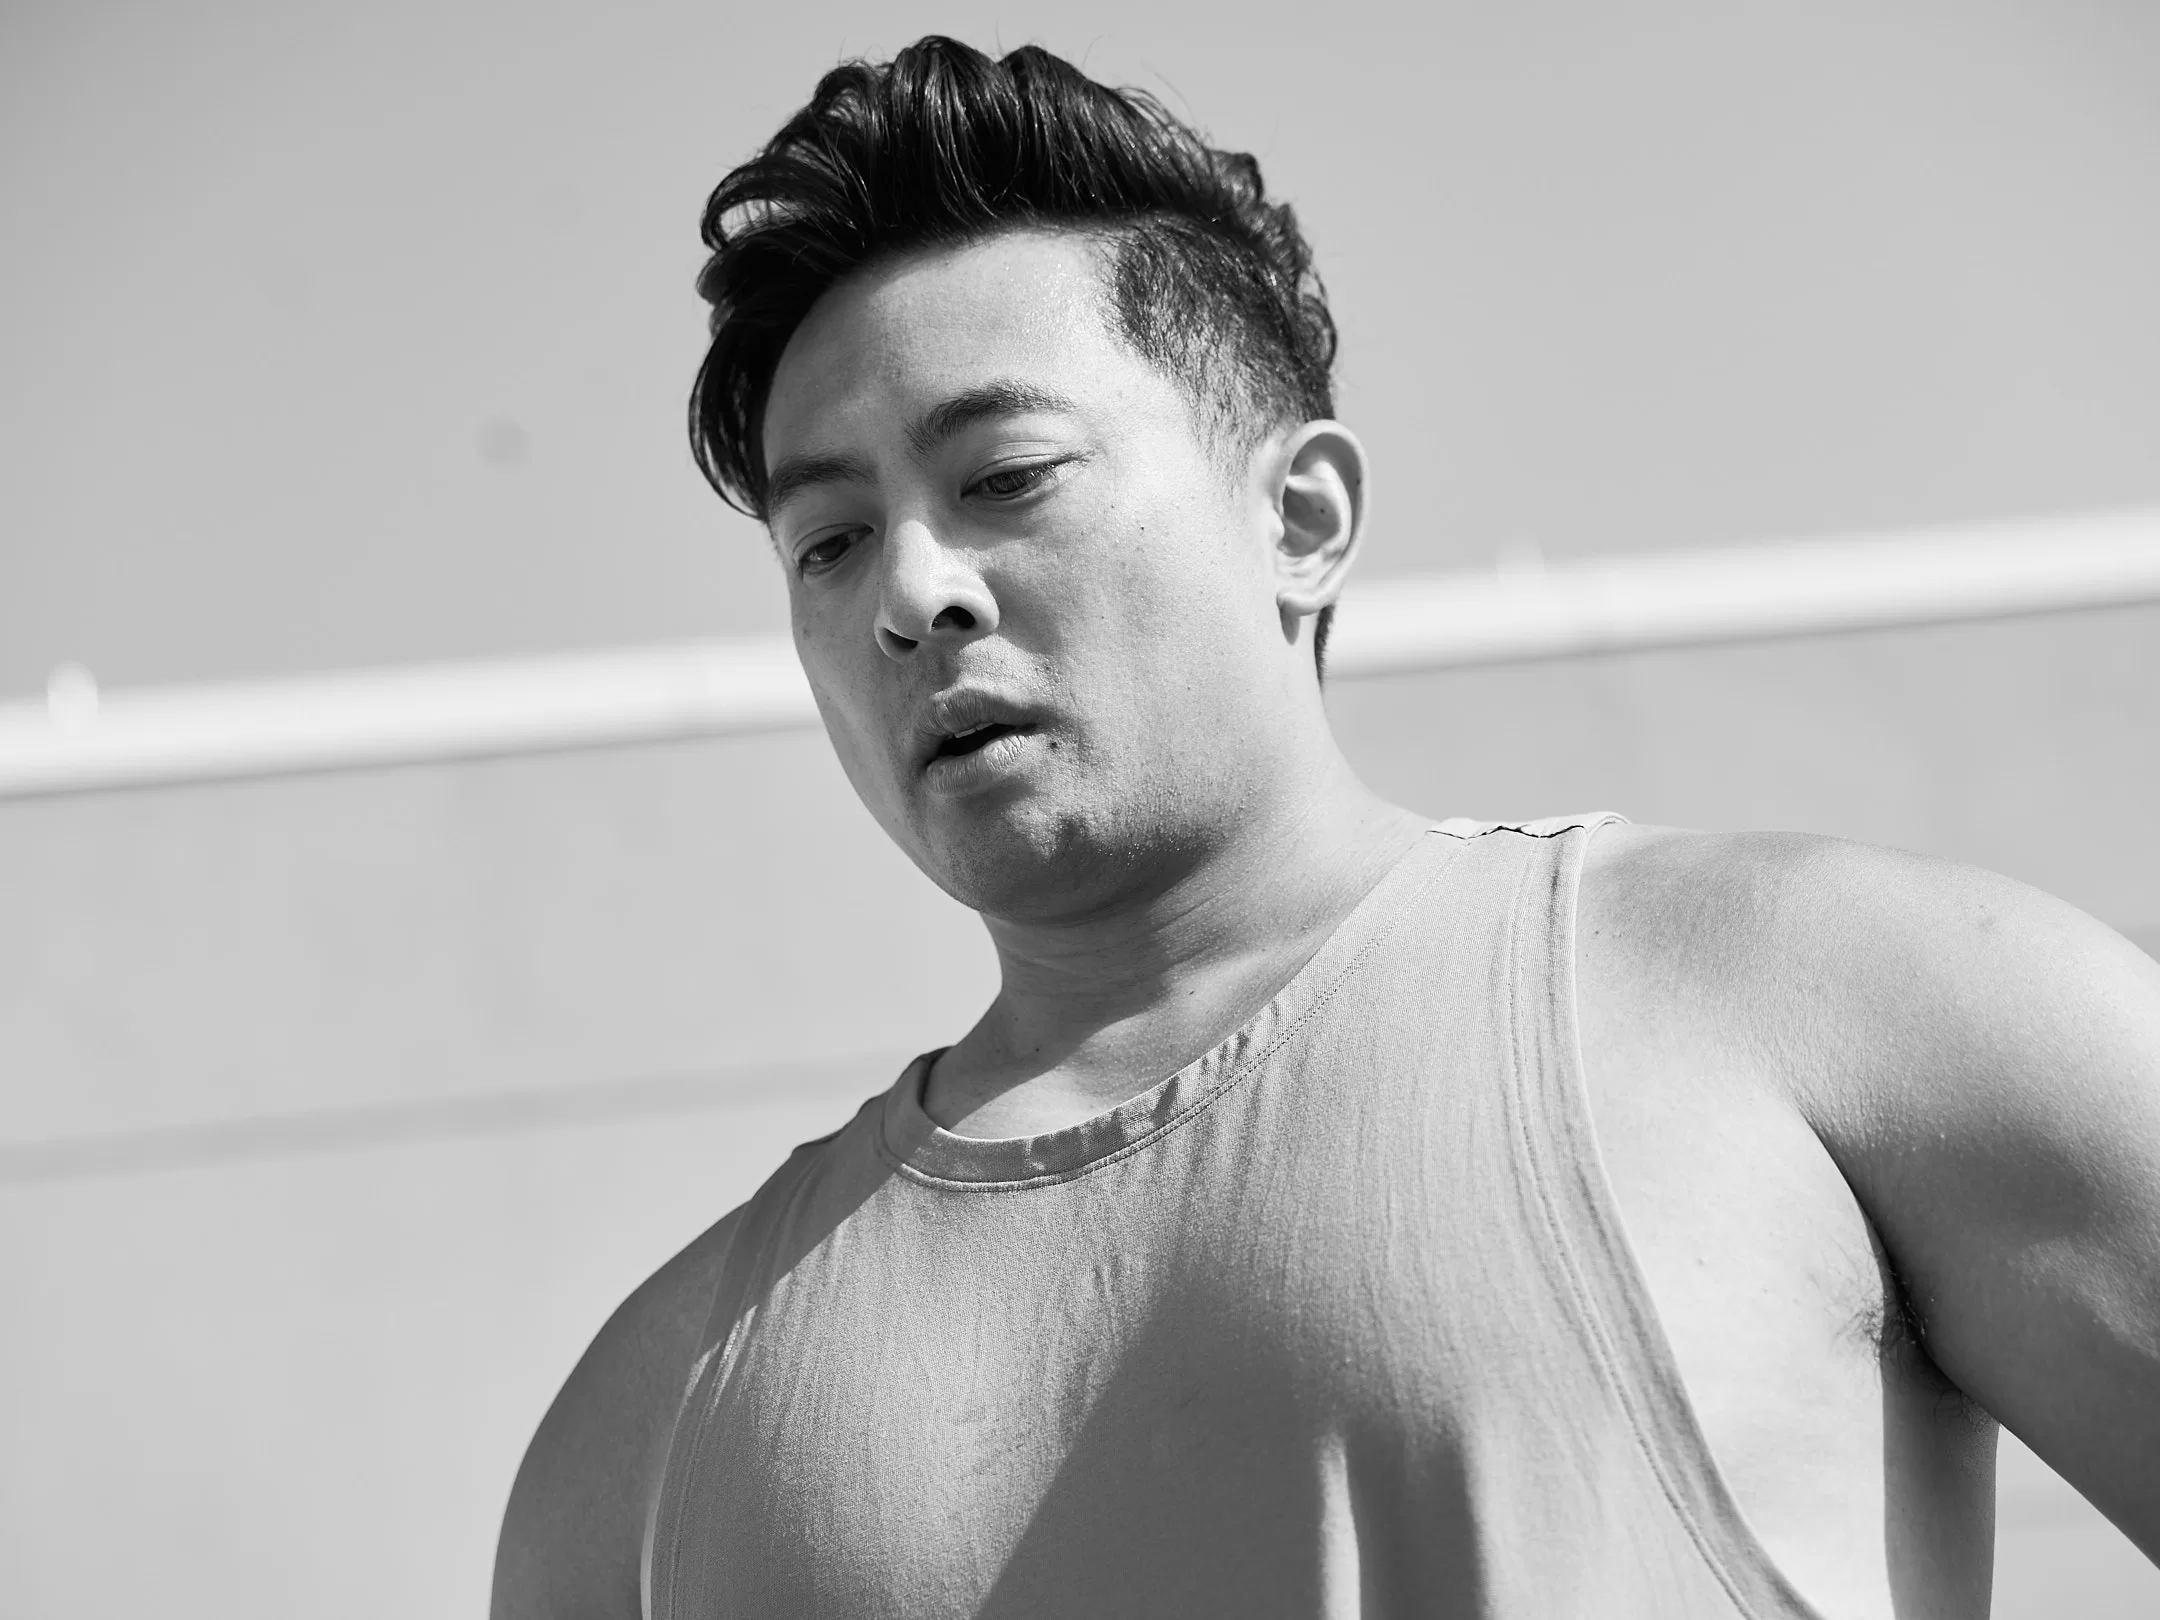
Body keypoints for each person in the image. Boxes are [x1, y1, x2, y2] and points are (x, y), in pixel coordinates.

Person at [492, 36, 2160, 1618]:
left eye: (1003, 476)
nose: (912, 593)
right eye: (829, 542)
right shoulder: (642, 1427)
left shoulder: (1829, 1000)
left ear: (1298, 517)